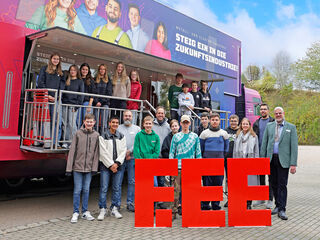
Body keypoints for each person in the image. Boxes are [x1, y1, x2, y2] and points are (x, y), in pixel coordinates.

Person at [261, 107, 298, 221]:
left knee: (282, 185)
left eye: (280, 113)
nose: (278, 115)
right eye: (276, 113)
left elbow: (294, 147)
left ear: (283, 113)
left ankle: (282, 209)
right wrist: (263, 160)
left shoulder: (291, 127)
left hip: (284, 160)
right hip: (271, 159)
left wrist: (293, 164)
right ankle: (277, 205)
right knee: (273, 183)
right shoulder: (269, 126)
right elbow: (264, 143)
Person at [66, 113, 99, 223]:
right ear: (84, 122)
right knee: (77, 190)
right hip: (77, 168)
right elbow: (72, 152)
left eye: (91, 121)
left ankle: (85, 211)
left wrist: (95, 167)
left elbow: (96, 153)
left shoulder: (96, 135)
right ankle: (76, 212)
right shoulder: (78, 134)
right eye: (87, 121)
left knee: (86, 190)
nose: (89, 123)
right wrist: (69, 168)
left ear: (94, 123)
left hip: (89, 169)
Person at [169, 115, 202, 220]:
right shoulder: (176, 137)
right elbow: (171, 153)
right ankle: (173, 212)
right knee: (175, 191)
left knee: (190, 191)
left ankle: (189, 211)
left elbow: (198, 153)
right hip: (178, 168)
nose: (185, 124)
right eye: (183, 122)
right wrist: (171, 166)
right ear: (180, 124)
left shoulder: (195, 136)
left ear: (190, 123)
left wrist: (199, 167)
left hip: (191, 168)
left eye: (187, 122)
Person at [98, 116, 127, 220]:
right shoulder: (103, 136)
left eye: (117, 123)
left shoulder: (122, 136)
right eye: (113, 122)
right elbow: (103, 152)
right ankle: (102, 209)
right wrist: (111, 165)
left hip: (118, 166)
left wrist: (117, 163)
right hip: (106, 166)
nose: (115, 124)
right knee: (104, 188)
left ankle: (115, 208)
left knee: (117, 188)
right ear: (109, 123)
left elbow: (123, 150)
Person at [200, 112, 229, 210]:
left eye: (216, 120)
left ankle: (216, 205)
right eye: (213, 120)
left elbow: (226, 149)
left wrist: (220, 158)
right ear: (209, 121)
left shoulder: (224, 133)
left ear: (219, 121)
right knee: (207, 185)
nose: (214, 122)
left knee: (218, 184)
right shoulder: (204, 134)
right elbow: (201, 148)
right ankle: (205, 204)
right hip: (207, 164)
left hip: (219, 164)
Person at [37, 53, 65, 148]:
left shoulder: (61, 72)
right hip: (46, 98)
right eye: (54, 58)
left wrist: (56, 96)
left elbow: (62, 86)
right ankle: (44, 140)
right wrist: (48, 95)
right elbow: (40, 82)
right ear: (51, 59)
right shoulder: (44, 69)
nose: (56, 60)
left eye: (57, 59)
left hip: (56, 99)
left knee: (56, 120)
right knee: (45, 120)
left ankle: (54, 142)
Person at [233, 117, 259, 209]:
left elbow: (256, 152)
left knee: (249, 184)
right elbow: (234, 152)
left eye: (246, 124)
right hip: (240, 163)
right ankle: (241, 202)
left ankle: (248, 203)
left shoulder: (254, 137)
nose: (245, 125)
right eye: (243, 124)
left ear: (249, 125)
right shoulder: (237, 136)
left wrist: (256, 163)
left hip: (250, 163)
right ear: (241, 125)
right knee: (241, 184)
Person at [118, 110, 141, 212]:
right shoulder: (118, 128)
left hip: (132, 158)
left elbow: (138, 142)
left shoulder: (137, 129)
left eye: (129, 116)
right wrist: (124, 153)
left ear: (132, 117)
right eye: (126, 116)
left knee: (132, 181)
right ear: (123, 117)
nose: (127, 117)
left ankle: (130, 203)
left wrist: (129, 151)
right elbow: (116, 143)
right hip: (120, 159)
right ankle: (116, 204)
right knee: (118, 181)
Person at [253, 103, 275, 209]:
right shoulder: (256, 123)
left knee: (271, 177)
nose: (263, 111)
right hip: (259, 154)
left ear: (268, 111)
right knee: (260, 177)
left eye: (265, 109)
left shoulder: (273, 122)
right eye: (261, 109)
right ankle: (261, 198)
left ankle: (270, 199)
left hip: (270, 155)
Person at [133, 115, 160, 188]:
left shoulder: (156, 137)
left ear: (152, 124)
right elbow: (136, 150)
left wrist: (149, 161)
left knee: (154, 185)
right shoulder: (138, 135)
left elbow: (156, 152)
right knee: (142, 185)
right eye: (146, 123)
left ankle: (154, 199)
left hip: (151, 164)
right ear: (143, 124)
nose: (148, 125)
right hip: (141, 164)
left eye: (150, 123)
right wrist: (141, 161)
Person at [61, 64, 84, 149]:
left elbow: (81, 95)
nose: (72, 71)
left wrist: (77, 106)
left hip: (73, 106)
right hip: (64, 105)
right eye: (71, 70)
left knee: (72, 124)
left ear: (77, 71)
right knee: (64, 124)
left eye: (74, 70)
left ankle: (73, 142)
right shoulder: (67, 80)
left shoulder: (80, 82)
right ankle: (65, 142)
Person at [152, 106, 171, 201]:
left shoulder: (168, 127)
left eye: (162, 113)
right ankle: (154, 201)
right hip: (154, 158)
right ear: (156, 114)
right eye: (159, 113)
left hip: (163, 158)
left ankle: (161, 201)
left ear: (164, 114)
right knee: (154, 183)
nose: (160, 115)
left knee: (162, 181)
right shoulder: (151, 125)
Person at [223, 114, 239, 207]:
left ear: (238, 121)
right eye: (232, 121)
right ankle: (230, 198)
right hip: (227, 159)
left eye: (235, 121)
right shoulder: (225, 131)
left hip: (237, 159)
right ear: (229, 121)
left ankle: (237, 198)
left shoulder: (240, 131)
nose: (233, 122)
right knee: (229, 179)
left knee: (237, 179)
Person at [94, 64, 112, 135]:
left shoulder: (108, 81)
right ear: (99, 70)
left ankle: (103, 137)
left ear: (105, 71)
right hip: (96, 104)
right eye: (101, 69)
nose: (102, 70)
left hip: (104, 104)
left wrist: (101, 102)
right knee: (95, 122)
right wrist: (96, 102)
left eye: (103, 69)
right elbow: (93, 91)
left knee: (104, 123)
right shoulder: (95, 79)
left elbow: (109, 93)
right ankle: (96, 136)